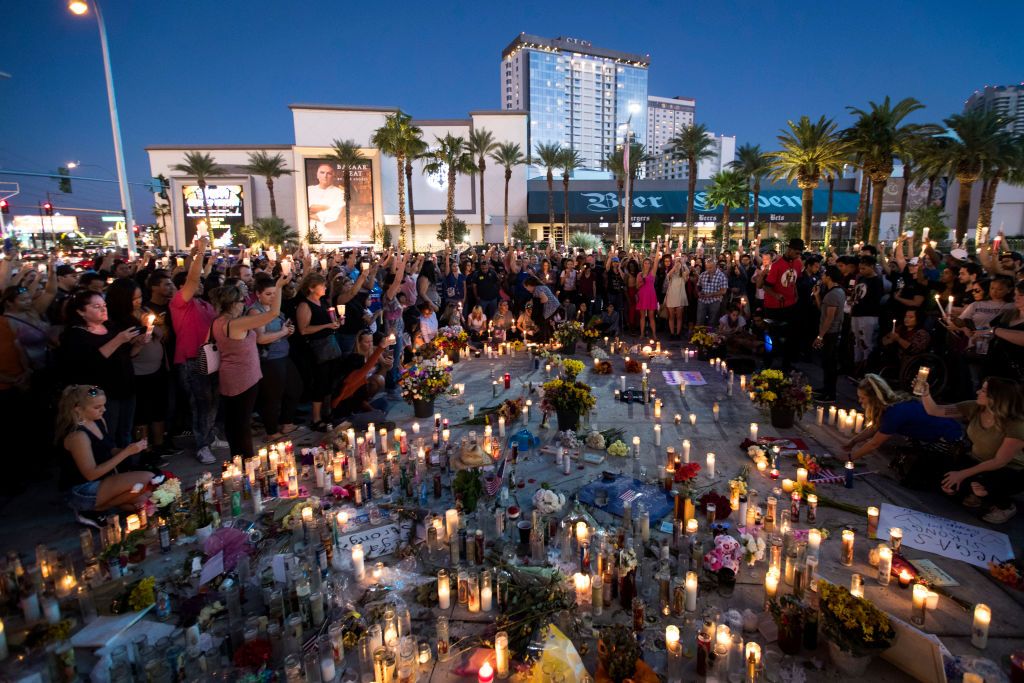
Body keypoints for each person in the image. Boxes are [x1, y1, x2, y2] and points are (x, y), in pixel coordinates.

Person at [922, 377, 1024, 524]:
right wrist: (925, 394)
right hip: (976, 460)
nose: (977, 392)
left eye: (983, 390)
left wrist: (961, 475)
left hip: (1009, 470)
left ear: (996, 398)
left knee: (983, 487)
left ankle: (1005, 506)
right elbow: (935, 410)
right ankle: (973, 492)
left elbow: (999, 461)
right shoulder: (974, 407)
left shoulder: (1016, 424)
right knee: (944, 481)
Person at [212, 274, 288, 459]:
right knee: (242, 423)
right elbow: (272, 314)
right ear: (232, 303)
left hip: (230, 376)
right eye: (241, 301)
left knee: (234, 422)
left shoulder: (218, 321)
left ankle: (236, 458)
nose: (244, 304)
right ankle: (246, 461)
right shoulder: (235, 323)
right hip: (243, 378)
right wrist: (278, 287)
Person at [843, 375, 964, 488]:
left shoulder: (894, 412)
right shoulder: (890, 403)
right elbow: (876, 427)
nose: (859, 401)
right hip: (938, 432)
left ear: (875, 398)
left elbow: (874, 443)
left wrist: (849, 458)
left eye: (862, 398)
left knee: (914, 477)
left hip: (948, 439)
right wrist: (853, 441)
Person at [55, 385, 151, 528]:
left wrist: (131, 449)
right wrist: (126, 453)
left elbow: (109, 450)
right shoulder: (77, 436)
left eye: (104, 405)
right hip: (83, 489)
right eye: (97, 407)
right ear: (78, 409)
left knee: (144, 500)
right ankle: (93, 509)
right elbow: (91, 474)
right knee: (148, 479)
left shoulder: (99, 420)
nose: (104, 410)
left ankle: (106, 505)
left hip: (105, 482)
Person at [58, 289, 140, 449]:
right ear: (81, 311)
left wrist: (138, 344)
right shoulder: (75, 335)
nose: (103, 309)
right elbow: (90, 364)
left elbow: (127, 356)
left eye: (104, 305)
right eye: (96, 306)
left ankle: (127, 464)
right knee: (108, 433)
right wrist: (118, 340)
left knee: (125, 431)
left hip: (125, 387)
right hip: (102, 394)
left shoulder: (111, 327)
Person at [170, 237, 220, 464]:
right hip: (191, 360)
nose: (201, 284)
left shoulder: (205, 304)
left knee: (212, 401)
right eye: (196, 282)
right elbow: (192, 279)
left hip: (211, 358)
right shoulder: (180, 302)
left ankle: (209, 436)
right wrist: (199, 255)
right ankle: (202, 445)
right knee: (200, 403)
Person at [249, 277, 301, 440]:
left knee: (295, 388)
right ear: (258, 294)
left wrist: (287, 329)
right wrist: (283, 332)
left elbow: (280, 328)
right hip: (270, 359)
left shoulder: (274, 308)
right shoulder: (256, 311)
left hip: (283, 354)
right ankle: (271, 431)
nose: (272, 297)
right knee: (273, 396)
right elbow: (261, 338)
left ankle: (287, 422)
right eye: (268, 294)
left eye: (274, 293)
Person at [295, 273, 341, 431]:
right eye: (322, 285)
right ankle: (316, 418)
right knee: (319, 384)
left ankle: (327, 413)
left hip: (329, 346)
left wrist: (335, 323)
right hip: (316, 349)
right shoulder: (305, 305)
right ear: (311, 288)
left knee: (329, 382)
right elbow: (303, 329)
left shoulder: (321, 301)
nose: (325, 287)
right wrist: (326, 326)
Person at [330, 331, 395, 429]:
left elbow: (360, 400)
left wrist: (371, 410)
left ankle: (370, 421)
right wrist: (381, 347)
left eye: (371, 341)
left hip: (356, 409)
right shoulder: (351, 380)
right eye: (366, 342)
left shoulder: (359, 379)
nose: (370, 344)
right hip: (344, 418)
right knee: (379, 415)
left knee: (383, 403)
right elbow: (367, 368)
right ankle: (369, 422)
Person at [763, 238, 804, 370]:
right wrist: (776, 295)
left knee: (790, 336)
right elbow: (766, 286)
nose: (798, 256)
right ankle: (768, 362)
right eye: (796, 253)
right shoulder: (777, 265)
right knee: (771, 336)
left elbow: (795, 282)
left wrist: (796, 293)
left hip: (790, 305)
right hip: (773, 307)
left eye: (799, 254)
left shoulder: (798, 263)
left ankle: (786, 363)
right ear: (789, 249)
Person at [812, 266, 847, 402]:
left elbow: (829, 318)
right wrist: (817, 296)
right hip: (831, 331)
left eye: (824, 274)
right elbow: (823, 310)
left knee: (829, 363)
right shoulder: (837, 292)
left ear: (829, 277)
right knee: (827, 363)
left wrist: (820, 336)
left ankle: (829, 393)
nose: (822, 277)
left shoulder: (833, 294)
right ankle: (826, 388)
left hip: (830, 333)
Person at [307, 163, 345, 229]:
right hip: (310, 230)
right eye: (322, 172)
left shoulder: (340, 193)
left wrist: (309, 214)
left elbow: (334, 215)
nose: (325, 176)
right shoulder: (308, 190)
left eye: (329, 173)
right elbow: (303, 210)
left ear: (333, 176)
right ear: (317, 175)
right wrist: (326, 208)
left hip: (331, 233)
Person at [523, 276, 559, 343]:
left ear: (530, 285)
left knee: (542, 323)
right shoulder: (541, 287)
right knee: (545, 324)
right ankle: (547, 340)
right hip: (554, 306)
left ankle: (543, 340)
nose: (526, 289)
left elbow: (545, 299)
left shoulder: (537, 289)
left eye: (526, 287)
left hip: (551, 308)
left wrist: (534, 303)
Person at [695, 258, 728, 329]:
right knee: (700, 320)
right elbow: (698, 286)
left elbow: (724, 291)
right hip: (702, 301)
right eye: (707, 268)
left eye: (710, 268)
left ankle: (711, 337)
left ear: (715, 266)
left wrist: (710, 295)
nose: (708, 269)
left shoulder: (721, 276)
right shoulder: (703, 274)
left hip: (714, 301)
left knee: (712, 321)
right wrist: (698, 292)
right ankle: (698, 337)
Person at [635, 254, 661, 340]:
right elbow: (637, 287)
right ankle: (642, 334)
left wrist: (658, 249)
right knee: (642, 316)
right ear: (643, 264)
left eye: (648, 263)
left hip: (651, 296)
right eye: (645, 263)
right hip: (642, 296)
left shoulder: (652, 273)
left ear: (650, 264)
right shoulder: (639, 274)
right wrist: (641, 282)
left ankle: (654, 335)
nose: (647, 264)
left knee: (651, 316)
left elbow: (656, 261)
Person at [664, 258, 689, 340]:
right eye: (676, 262)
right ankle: (672, 333)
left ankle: (678, 334)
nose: (678, 264)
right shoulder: (671, 274)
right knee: (671, 317)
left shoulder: (684, 274)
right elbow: (668, 275)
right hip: (671, 296)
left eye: (679, 263)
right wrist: (674, 267)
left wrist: (683, 263)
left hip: (680, 296)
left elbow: (688, 272)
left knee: (679, 317)